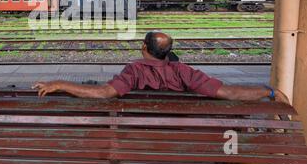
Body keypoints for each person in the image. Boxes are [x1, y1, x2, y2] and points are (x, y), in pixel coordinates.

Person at [32, 31, 289, 103]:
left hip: (137, 135)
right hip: (183, 136)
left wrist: (59, 84)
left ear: (144, 47)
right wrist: (268, 91)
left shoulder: (134, 70)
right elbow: (229, 93)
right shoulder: (185, 72)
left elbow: (103, 93)